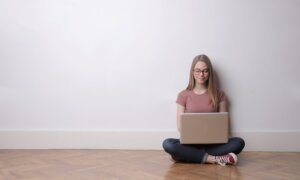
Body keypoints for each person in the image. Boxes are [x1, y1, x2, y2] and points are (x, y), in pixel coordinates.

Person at [162, 54, 245, 166]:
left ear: (209, 73)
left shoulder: (219, 94)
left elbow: (224, 125)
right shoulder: (183, 95)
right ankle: (214, 159)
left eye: (205, 71)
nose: (201, 74)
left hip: (214, 144)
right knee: (168, 144)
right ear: (192, 72)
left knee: (238, 142)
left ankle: (187, 156)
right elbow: (180, 127)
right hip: (190, 144)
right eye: (197, 70)